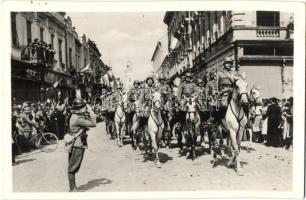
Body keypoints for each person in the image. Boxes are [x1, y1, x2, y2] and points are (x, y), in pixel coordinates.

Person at [68, 98, 96, 192]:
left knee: (72, 165)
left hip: (75, 143)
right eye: (84, 107)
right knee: (73, 166)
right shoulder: (78, 119)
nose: (85, 109)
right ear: (80, 109)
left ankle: (72, 187)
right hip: (78, 144)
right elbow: (93, 123)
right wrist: (91, 110)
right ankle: (72, 188)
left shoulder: (75, 116)